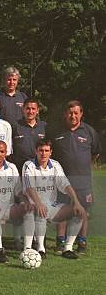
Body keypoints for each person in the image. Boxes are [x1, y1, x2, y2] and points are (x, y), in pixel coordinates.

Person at [21, 139, 87, 259]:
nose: (43, 153)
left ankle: (67, 248)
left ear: (51, 152)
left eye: (46, 150)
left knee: (79, 213)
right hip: (33, 205)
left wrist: (77, 202)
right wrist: (39, 203)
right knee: (41, 210)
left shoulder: (55, 165)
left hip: (51, 204)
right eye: (41, 150)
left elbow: (65, 184)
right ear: (36, 151)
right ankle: (41, 249)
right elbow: (29, 188)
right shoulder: (28, 165)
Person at [51, 100, 101, 254]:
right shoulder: (57, 132)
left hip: (83, 181)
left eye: (76, 113)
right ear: (65, 114)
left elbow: (95, 152)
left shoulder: (89, 131)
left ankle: (82, 242)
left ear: (81, 114)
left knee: (83, 211)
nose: (73, 116)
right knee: (63, 210)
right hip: (63, 181)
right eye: (70, 113)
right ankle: (60, 241)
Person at [10, 98, 47, 173]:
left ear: (37, 111)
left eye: (33, 109)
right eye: (28, 108)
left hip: (39, 170)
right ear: (23, 109)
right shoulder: (15, 126)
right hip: (19, 169)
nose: (30, 111)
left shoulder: (44, 126)